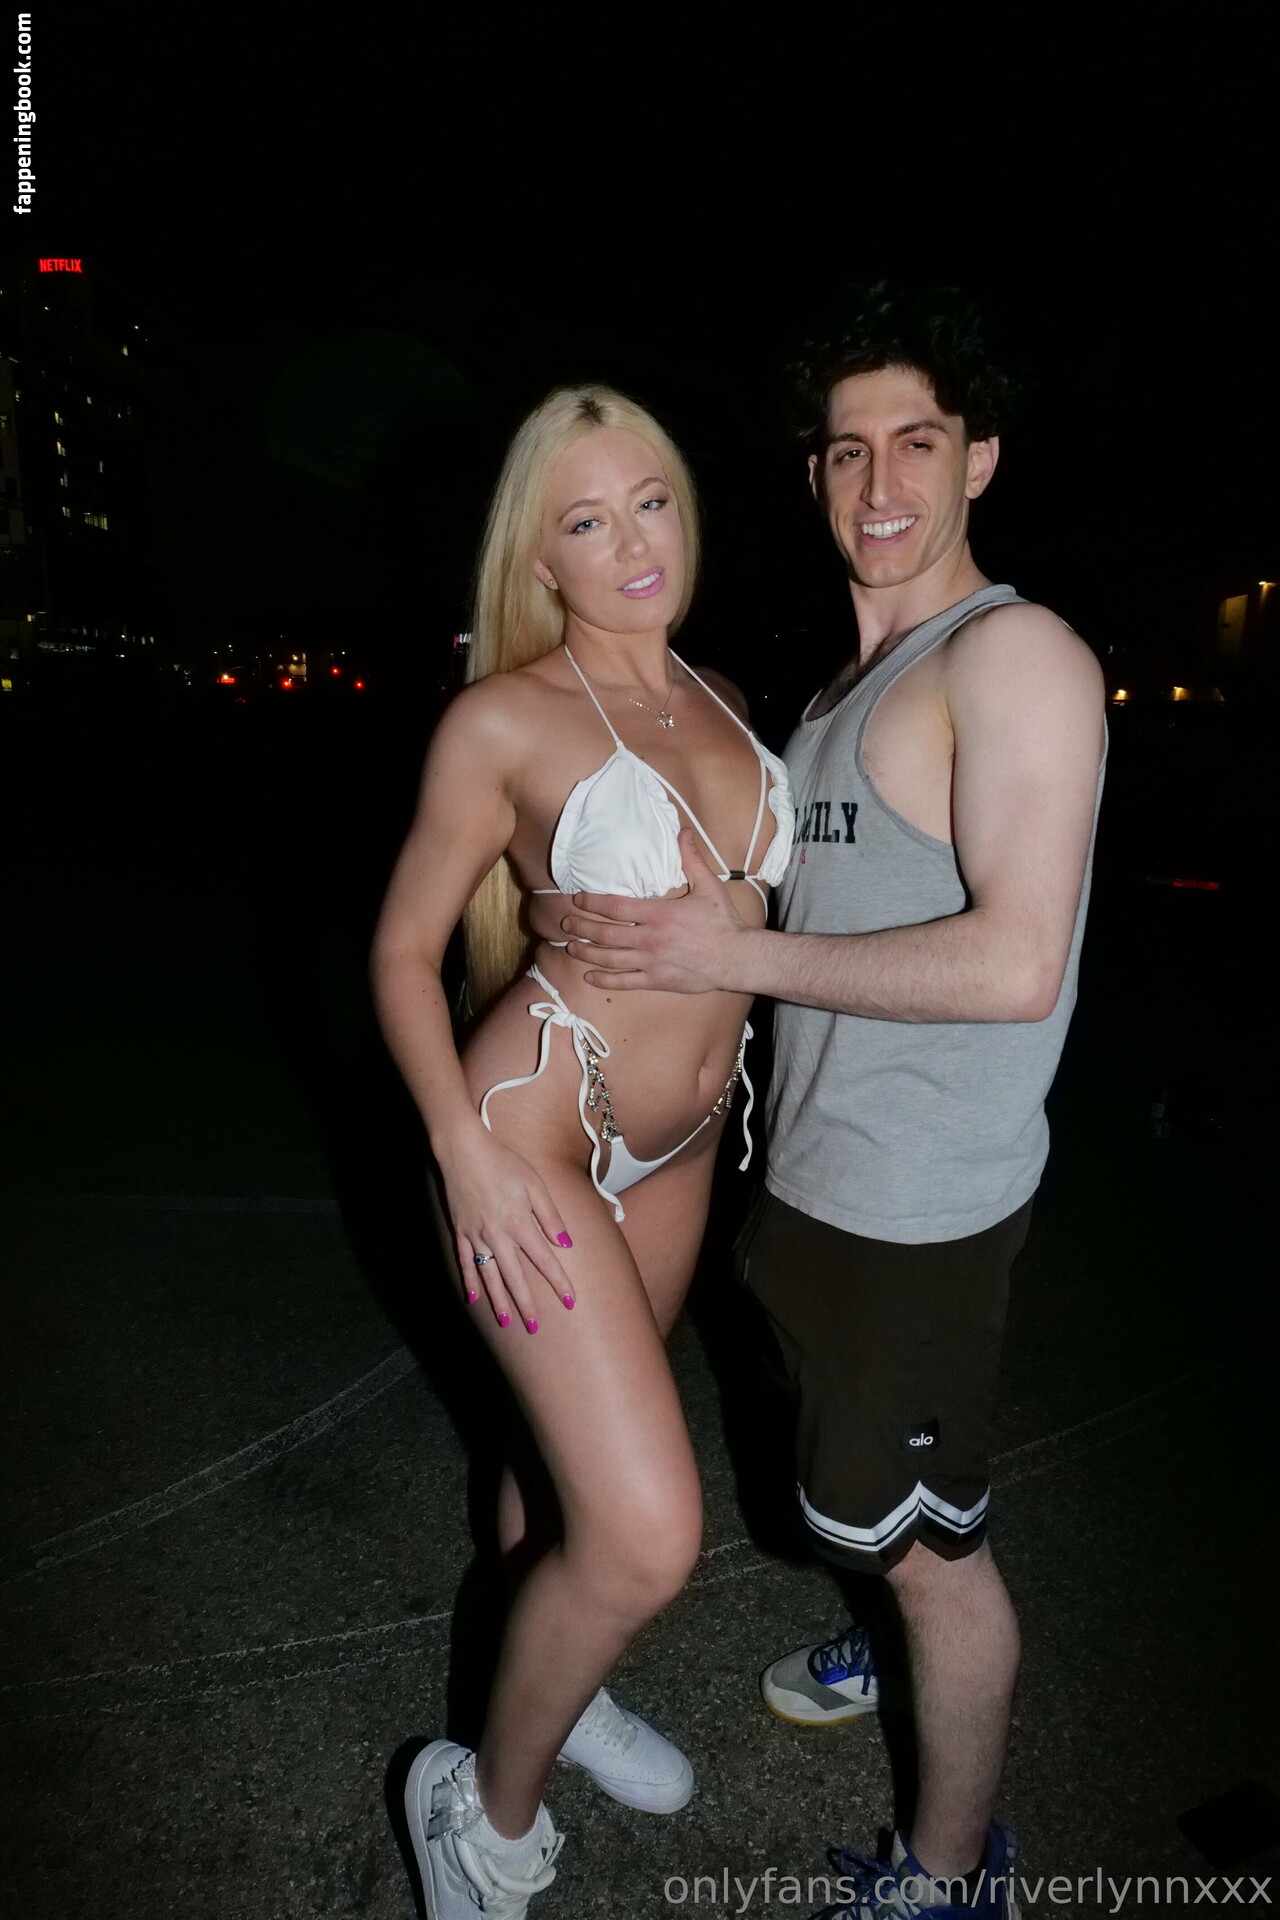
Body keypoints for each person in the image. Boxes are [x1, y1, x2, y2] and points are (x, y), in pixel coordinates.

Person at [549, 287, 1107, 1919]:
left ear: (979, 459)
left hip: (914, 1219)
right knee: (864, 1501)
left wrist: (731, 952)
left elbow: (1016, 962)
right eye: (848, 449)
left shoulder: (1014, 657)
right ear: (813, 476)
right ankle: (886, 1610)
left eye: (917, 442)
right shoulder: (836, 697)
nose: (881, 483)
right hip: (818, 1189)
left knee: (941, 1563)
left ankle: (950, 1872)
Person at [371, 383, 794, 1917]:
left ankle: (562, 1686)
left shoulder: (725, 695)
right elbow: (401, 953)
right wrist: (461, 1154)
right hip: (532, 1129)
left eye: (651, 502)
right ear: (540, 559)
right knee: (647, 1534)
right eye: (588, 520)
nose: (633, 544)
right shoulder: (502, 719)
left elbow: (749, 920)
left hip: (677, 1146)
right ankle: (478, 1814)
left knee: (559, 1476)